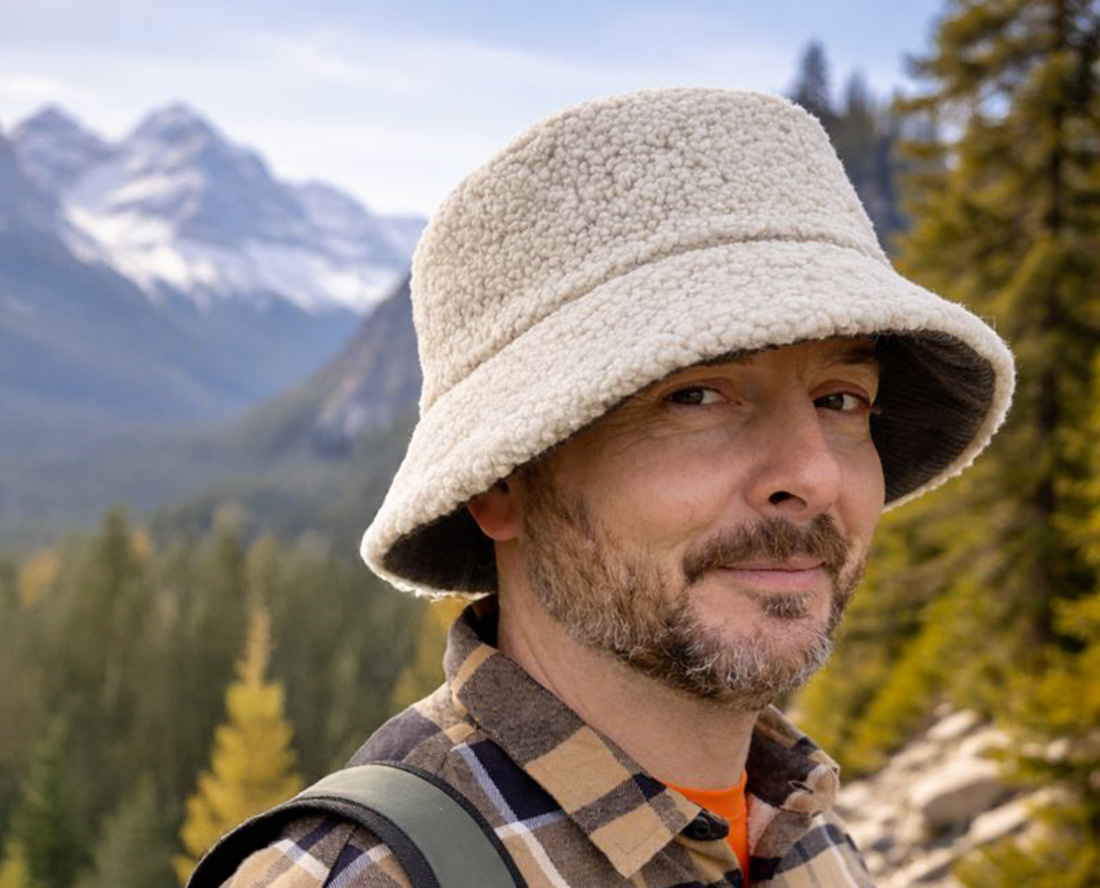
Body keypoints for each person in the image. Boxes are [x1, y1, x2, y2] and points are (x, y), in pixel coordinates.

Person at [221, 88, 1014, 887]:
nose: (811, 475)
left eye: (842, 399)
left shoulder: (807, 838)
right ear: (501, 481)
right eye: (697, 396)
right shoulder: (362, 878)